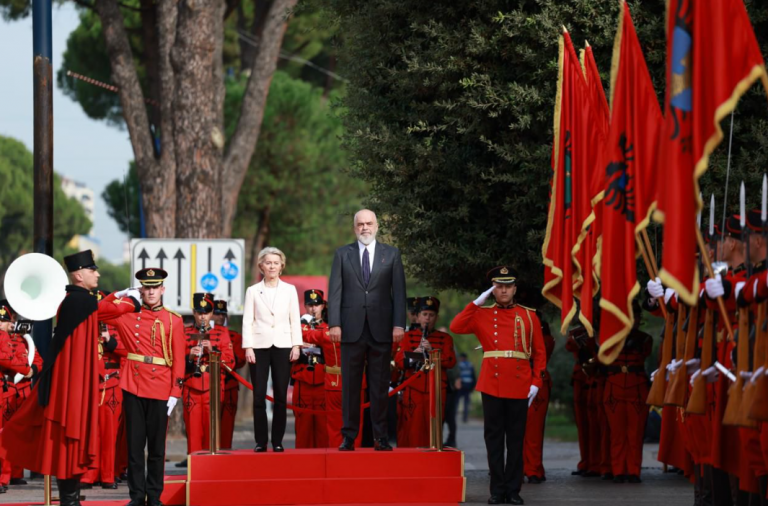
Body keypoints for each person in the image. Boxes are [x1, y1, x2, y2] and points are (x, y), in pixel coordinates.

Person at [0, 250, 141, 506]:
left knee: (70, 441)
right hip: (71, 385)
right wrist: (132, 299)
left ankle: (71, 498)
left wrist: (115, 297)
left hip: (71, 383)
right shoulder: (80, 302)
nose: (97, 274)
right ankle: (69, 500)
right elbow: (115, 310)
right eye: (92, 270)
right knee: (70, 439)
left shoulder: (76, 301)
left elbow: (103, 307)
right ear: (78, 275)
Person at [450, 266, 546, 506]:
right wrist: (476, 302)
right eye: (498, 287)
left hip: (519, 384)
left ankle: (513, 490)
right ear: (493, 291)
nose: (503, 290)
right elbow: (455, 326)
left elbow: (540, 354)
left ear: (514, 289)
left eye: (507, 286)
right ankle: (497, 489)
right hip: (492, 384)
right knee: (493, 440)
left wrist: (536, 383)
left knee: (515, 441)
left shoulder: (528, 315)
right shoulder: (482, 314)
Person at [328, 209, 407, 451]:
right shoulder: (343, 254)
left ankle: (380, 436)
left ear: (376, 226)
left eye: (368, 223)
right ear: (355, 228)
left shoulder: (391, 255)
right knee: (350, 387)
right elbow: (335, 292)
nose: (364, 228)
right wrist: (334, 323)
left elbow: (399, 292)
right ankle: (349, 436)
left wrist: (398, 324)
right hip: (351, 329)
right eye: (360, 224)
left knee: (379, 385)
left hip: (381, 328)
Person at [108, 267, 186, 506]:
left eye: (155, 287)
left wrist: (175, 391)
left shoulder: (173, 319)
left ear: (162, 289)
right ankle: (135, 495)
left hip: (161, 387)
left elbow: (179, 359)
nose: (151, 292)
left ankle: (154, 495)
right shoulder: (126, 314)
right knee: (134, 446)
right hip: (133, 384)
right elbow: (99, 309)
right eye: (146, 287)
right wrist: (118, 294)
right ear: (140, 289)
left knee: (156, 448)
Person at [242, 247, 302, 452]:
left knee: (280, 396)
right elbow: (247, 320)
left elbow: (295, 319)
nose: (272, 266)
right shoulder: (252, 291)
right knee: (259, 396)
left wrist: (296, 345)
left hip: (283, 346)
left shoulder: (290, 290)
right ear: (261, 265)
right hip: (258, 346)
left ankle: (277, 441)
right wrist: (248, 346)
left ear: (281, 266)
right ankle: (261, 442)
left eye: (276, 263)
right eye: (268, 263)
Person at [395, 297, 456, 447]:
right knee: (413, 427)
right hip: (414, 388)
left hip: (436, 389)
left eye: (431, 315)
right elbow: (399, 362)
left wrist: (432, 351)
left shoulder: (445, 338)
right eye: (424, 314)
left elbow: (451, 361)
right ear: (418, 316)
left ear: (437, 317)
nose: (427, 318)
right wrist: (415, 354)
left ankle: (433, 459)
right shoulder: (407, 337)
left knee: (433, 427)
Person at [80, 292, 127, 490]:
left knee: (109, 433)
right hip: (90, 386)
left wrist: (110, 341)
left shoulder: (118, 326)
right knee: (90, 434)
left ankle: (108, 475)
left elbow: (129, 351)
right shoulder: (83, 328)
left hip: (112, 385)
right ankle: (89, 474)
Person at [182, 293, 235, 456]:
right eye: (199, 312)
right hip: (191, 387)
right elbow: (176, 361)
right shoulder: (185, 332)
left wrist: (213, 351)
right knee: (194, 433)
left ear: (211, 313)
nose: (202, 316)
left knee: (213, 434)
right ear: (193, 312)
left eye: (206, 312)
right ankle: (194, 472)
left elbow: (230, 362)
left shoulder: (222, 333)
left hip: (213, 388)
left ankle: (211, 472)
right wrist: (190, 356)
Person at [0, 300, 42, 490]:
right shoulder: (3, 338)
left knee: (16, 435)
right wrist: (26, 369)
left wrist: (32, 369)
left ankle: (13, 474)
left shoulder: (22, 339)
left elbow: (38, 360)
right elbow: (7, 360)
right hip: (7, 391)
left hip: (20, 393)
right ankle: (4, 477)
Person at [293, 289, 329, 448]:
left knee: (324, 428)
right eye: (310, 305)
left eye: (317, 304)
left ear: (323, 306)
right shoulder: (296, 328)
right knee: (303, 428)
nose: (313, 308)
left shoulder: (329, 328)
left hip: (323, 379)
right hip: (302, 379)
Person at [523, 316, 556, 484]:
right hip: (515, 380)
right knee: (514, 428)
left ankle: (533, 468)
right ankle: (518, 466)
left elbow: (543, 349)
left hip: (535, 380)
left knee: (534, 428)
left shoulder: (544, 336)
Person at [213, 300, 246, 449]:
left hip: (229, 385)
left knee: (226, 425)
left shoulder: (235, 337)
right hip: (210, 385)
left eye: (222, 314)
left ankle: (225, 455)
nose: (220, 317)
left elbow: (240, 359)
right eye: (216, 314)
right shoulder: (203, 336)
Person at [457, 353, 476, 423]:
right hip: (469, 385)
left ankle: (454, 415)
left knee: (457, 401)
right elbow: (473, 376)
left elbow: (457, 375)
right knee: (466, 402)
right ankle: (465, 418)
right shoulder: (470, 365)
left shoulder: (459, 365)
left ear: (462, 358)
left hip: (461, 385)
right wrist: (473, 386)